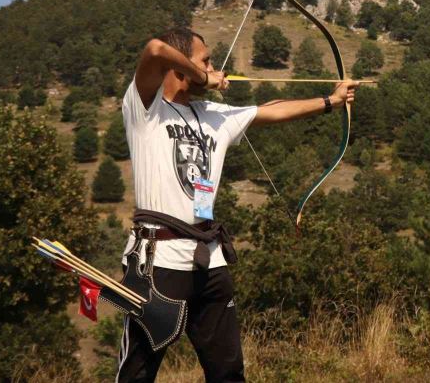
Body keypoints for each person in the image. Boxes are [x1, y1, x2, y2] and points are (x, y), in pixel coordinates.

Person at [115, 27, 357, 382]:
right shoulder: (144, 108)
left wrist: (329, 101)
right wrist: (206, 77)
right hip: (157, 262)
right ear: (181, 69)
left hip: (209, 261)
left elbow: (270, 111)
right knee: (136, 374)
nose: (214, 68)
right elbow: (154, 49)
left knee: (228, 372)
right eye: (205, 60)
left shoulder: (213, 115)